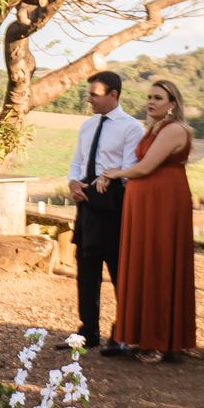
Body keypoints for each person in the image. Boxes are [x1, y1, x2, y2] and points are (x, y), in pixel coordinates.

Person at [101, 79, 197, 363]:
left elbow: (145, 167)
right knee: (143, 263)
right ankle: (142, 334)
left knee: (159, 263)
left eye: (158, 97)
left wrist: (112, 173)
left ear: (172, 104)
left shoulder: (174, 129)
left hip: (164, 203)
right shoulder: (153, 129)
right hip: (144, 203)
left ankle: (159, 339)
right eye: (149, 97)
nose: (151, 102)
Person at [67, 72, 145, 353]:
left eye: (94, 94)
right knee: (86, 271)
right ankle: (87, 331)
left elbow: (129, 168)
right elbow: (77, 161)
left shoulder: (131, 128)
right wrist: (73, 182)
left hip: (112, 204)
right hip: (85, 202)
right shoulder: (87, 126)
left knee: (118, 270)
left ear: (114, 95)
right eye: (89, 94)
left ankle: (122, 332)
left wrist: (107, 179)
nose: (89, 99)